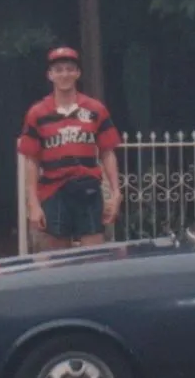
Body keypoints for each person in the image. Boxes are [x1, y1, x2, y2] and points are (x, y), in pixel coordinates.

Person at [17, 46, 122, 250]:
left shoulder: (95, 109)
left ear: (77, 73)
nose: (64, 74)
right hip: (53, 191)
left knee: (94, 252)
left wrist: (116, 192)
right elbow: (31, 160)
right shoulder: (37, 113)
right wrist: (33, 203)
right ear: (50, 75)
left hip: (88, 188)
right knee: (55, 257)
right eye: (58, 70)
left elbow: (108, 152)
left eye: (69, 69)